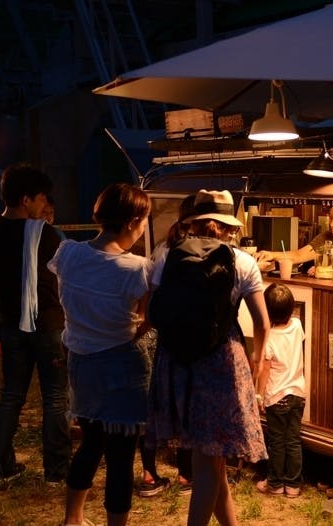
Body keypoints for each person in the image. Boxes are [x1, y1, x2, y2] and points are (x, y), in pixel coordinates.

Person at [146, 189, 270, 526]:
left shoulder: (166, 255)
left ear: (193, 221)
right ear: (228, 226)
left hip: (177, 361)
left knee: (211, 461)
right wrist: (258, 358)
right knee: (208, 462)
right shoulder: (243, 262)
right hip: (221, 362)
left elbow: (153, 311)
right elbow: (262, 322)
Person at [48, 183, 152, 526]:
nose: (143, 229)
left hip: (81, 362)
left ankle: (72, 519)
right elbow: (144, 320)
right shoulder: (137, 268)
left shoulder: (69, 253)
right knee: (121, 457)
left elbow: (63, 298)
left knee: (91, 444)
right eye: (144, 222)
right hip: (123, 366)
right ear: (132, 222)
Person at [0, 162, 70, 486]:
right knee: (55, 397)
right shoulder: (46, 233)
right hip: (48, 323)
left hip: (10, 324)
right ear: (26, 199)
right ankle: (57, 470)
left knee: (11, 395)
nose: (45, 205)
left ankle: (1, 468)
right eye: (42, 198)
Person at [137, 193, 197, 498]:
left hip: (154, 333)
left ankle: (149, 473)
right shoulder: (194, 251)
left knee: (154, 405)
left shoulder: (163, 248)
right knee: (185, 404)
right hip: (177, 338)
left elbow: (149, 298)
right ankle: (186, 475)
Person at [255, 283, 306, 498]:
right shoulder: (298, 325)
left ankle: (275, 484)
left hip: (277, 397)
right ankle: (293, 485)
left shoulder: (269, 339)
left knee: (277, 442)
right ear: (291, 308)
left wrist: (259, 395)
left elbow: (265, 371)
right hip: (298, 394)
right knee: (293, 440)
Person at [255, 205, 333, 274]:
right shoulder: (327, 238)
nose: (331, 224)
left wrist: (328, 271)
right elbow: (299, 255)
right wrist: (271, 255)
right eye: (331, 218)